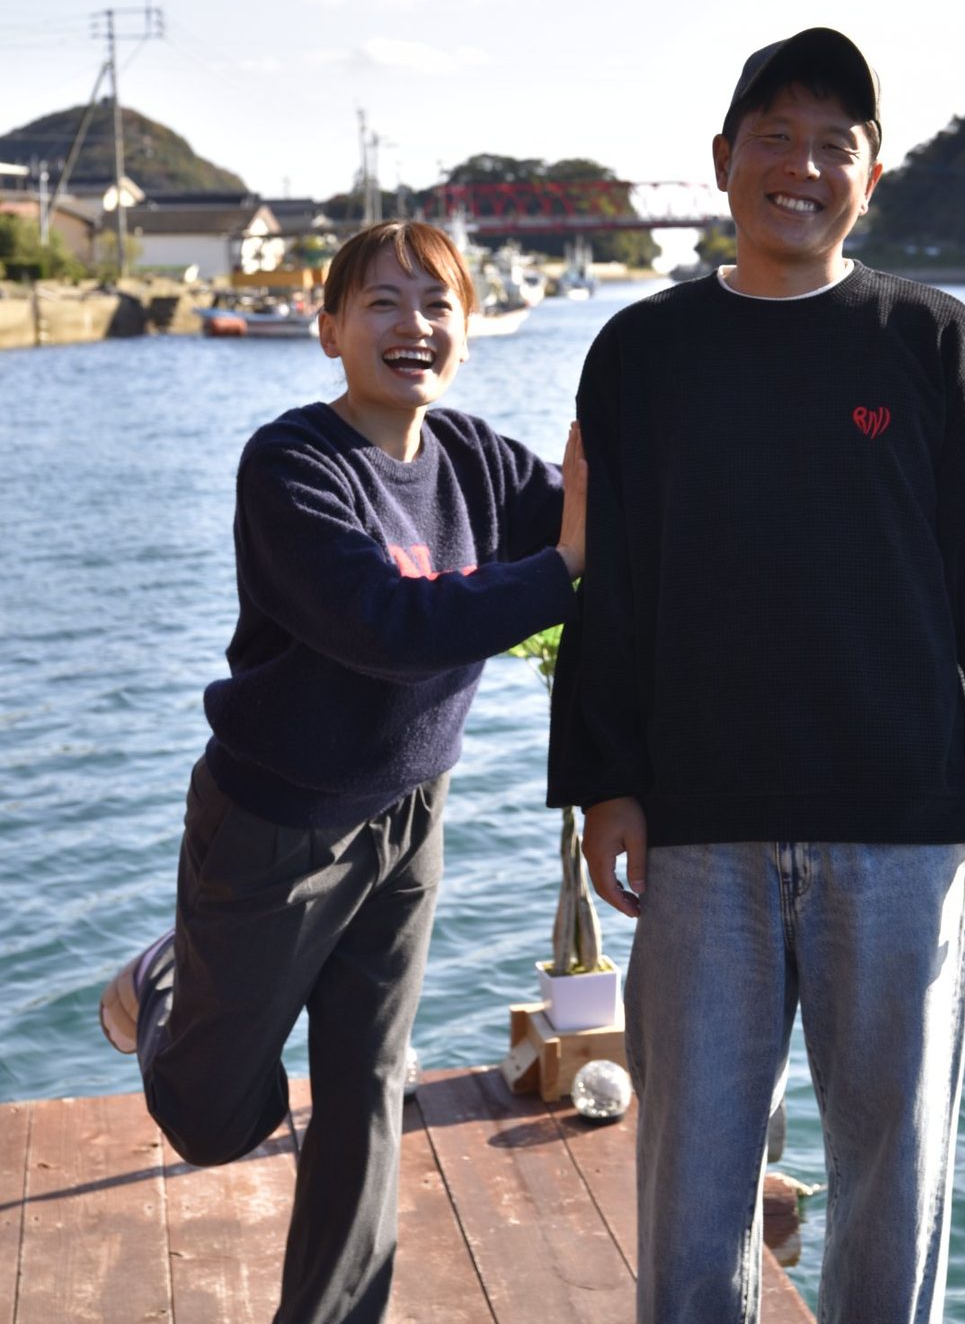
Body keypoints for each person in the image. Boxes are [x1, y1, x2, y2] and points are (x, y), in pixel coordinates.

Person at [548, 28, 965, 1324]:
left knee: (893, 1181)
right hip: (700, 834)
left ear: (873, 174)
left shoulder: (932, 341)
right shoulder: (642, 353)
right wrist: (605, 785)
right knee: (693, 1186)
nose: (802, 167)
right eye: (775, 138)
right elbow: (607, 583)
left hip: (900, 830)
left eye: (832, 145)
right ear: (724, 160)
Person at [100, 219, 585, 1324]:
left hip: (411, 814)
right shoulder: (292, 464)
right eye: (381, 302)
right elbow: (386, 623)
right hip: (279, 822)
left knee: (370, 1085)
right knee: (214, 1119)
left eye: (437, 304)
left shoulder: (475, 459)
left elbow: (610, 517)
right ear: (328, 329)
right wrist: (560, 572)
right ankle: (167, 982)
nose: (412, 325)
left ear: (468, 330)